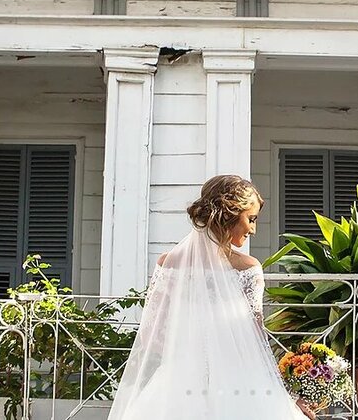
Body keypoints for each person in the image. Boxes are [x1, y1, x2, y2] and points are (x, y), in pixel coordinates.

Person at [107, 175, 316, 420]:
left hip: (178, 384)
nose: (253, 229)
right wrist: (284, 396)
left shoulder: (168, 264)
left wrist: (188, 354)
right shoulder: (248, 269)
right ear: (229, 215)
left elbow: (150, 335)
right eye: (251, 219)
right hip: (235, 383)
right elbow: (256, 340)